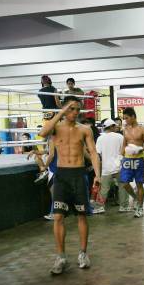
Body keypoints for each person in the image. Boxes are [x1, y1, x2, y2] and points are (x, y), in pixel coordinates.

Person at [39, 97, 100, 275]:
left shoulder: (85, 129)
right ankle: (61, 257)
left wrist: (97, 175)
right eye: (71, 109)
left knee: (82, 215)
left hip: (79, 175)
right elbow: (43, 132)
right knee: (58, 217)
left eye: (77, 110)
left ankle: (82, 253)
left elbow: (93, 152)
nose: (74, 113)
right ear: (65, 108)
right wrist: (61, 112)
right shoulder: (56, 128)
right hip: (61, 176)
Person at [119, 107, 144, 218]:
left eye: (127, 118)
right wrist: (120, 156)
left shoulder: (143, 129)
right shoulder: (125, 129)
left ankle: (140, 208)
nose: (125, 120)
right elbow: (124, 144)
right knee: (124, 183)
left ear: (133, 116)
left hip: (139, 158)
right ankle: (136, 198)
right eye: (124, 118)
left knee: (139, 184)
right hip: (127, 159)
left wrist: (140, 149)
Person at [94, 119, 129, 213]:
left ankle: (100, 207)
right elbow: (124, 149)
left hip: (106, 167)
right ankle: (124, 206)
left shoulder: (100, 138)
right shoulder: (120, 137)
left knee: (104, 188)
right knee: (123, 187)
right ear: (112, 126)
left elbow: (97, 153)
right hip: (120, 166)